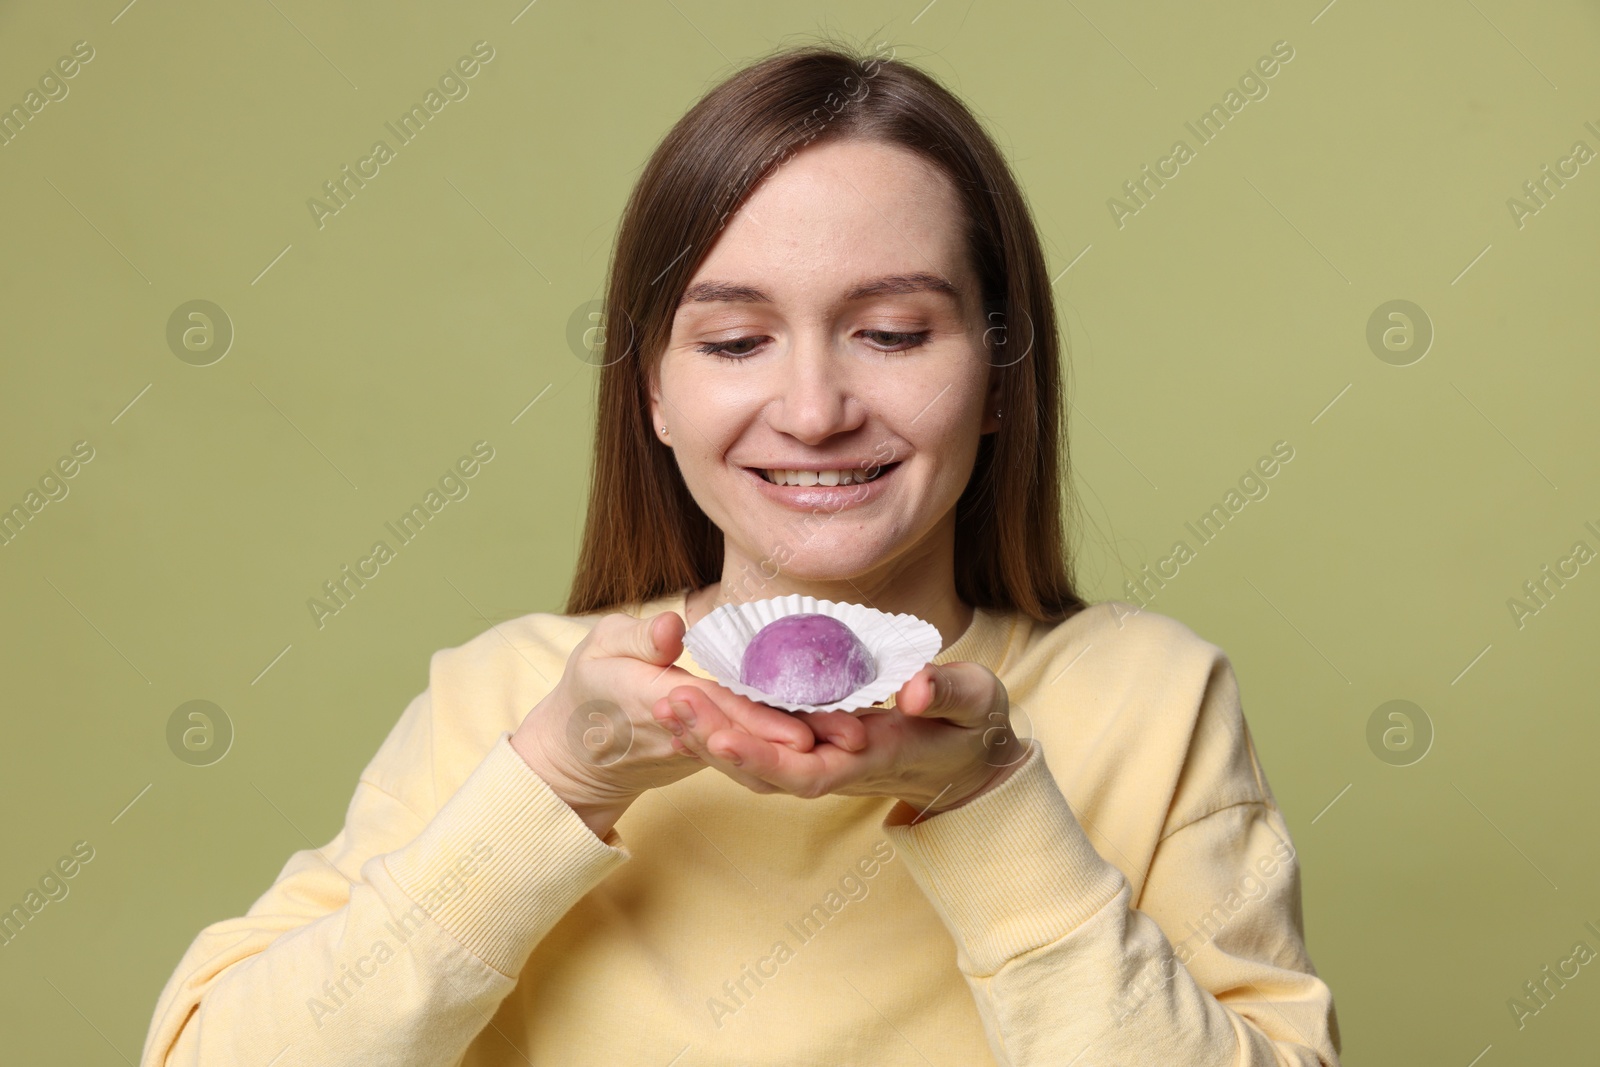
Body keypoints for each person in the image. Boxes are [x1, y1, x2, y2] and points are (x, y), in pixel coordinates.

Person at [141, 39, 1341, 1066]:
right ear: (652, 390)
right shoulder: (508, 700)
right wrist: (558, 778)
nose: (814, 407)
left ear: (995, 376)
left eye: (887, 331)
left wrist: (985, 798)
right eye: (733, 340)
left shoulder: (1150, 698)